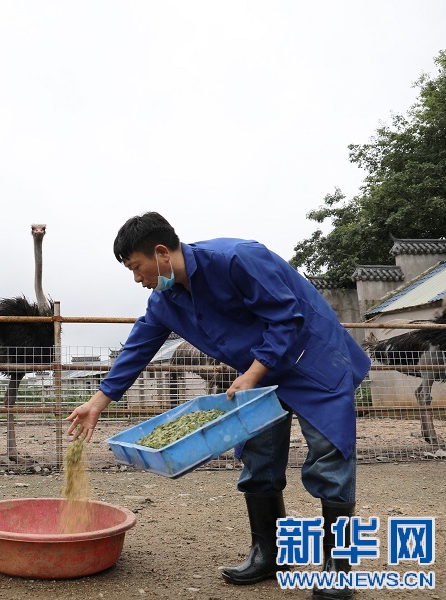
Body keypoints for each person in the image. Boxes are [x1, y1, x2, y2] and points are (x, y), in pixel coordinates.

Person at [65, 212, 370, 600]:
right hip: (259, 373)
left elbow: (287, 315)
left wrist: (255, 371)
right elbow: (140, 346)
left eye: (137, 267)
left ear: (161, 253)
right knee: (258, 457)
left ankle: (338, 568)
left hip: (312, 359)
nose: (137, 279)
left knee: (330, 456)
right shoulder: (166, 299)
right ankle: (269, 554)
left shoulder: (237, 258)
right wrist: (98, 401)